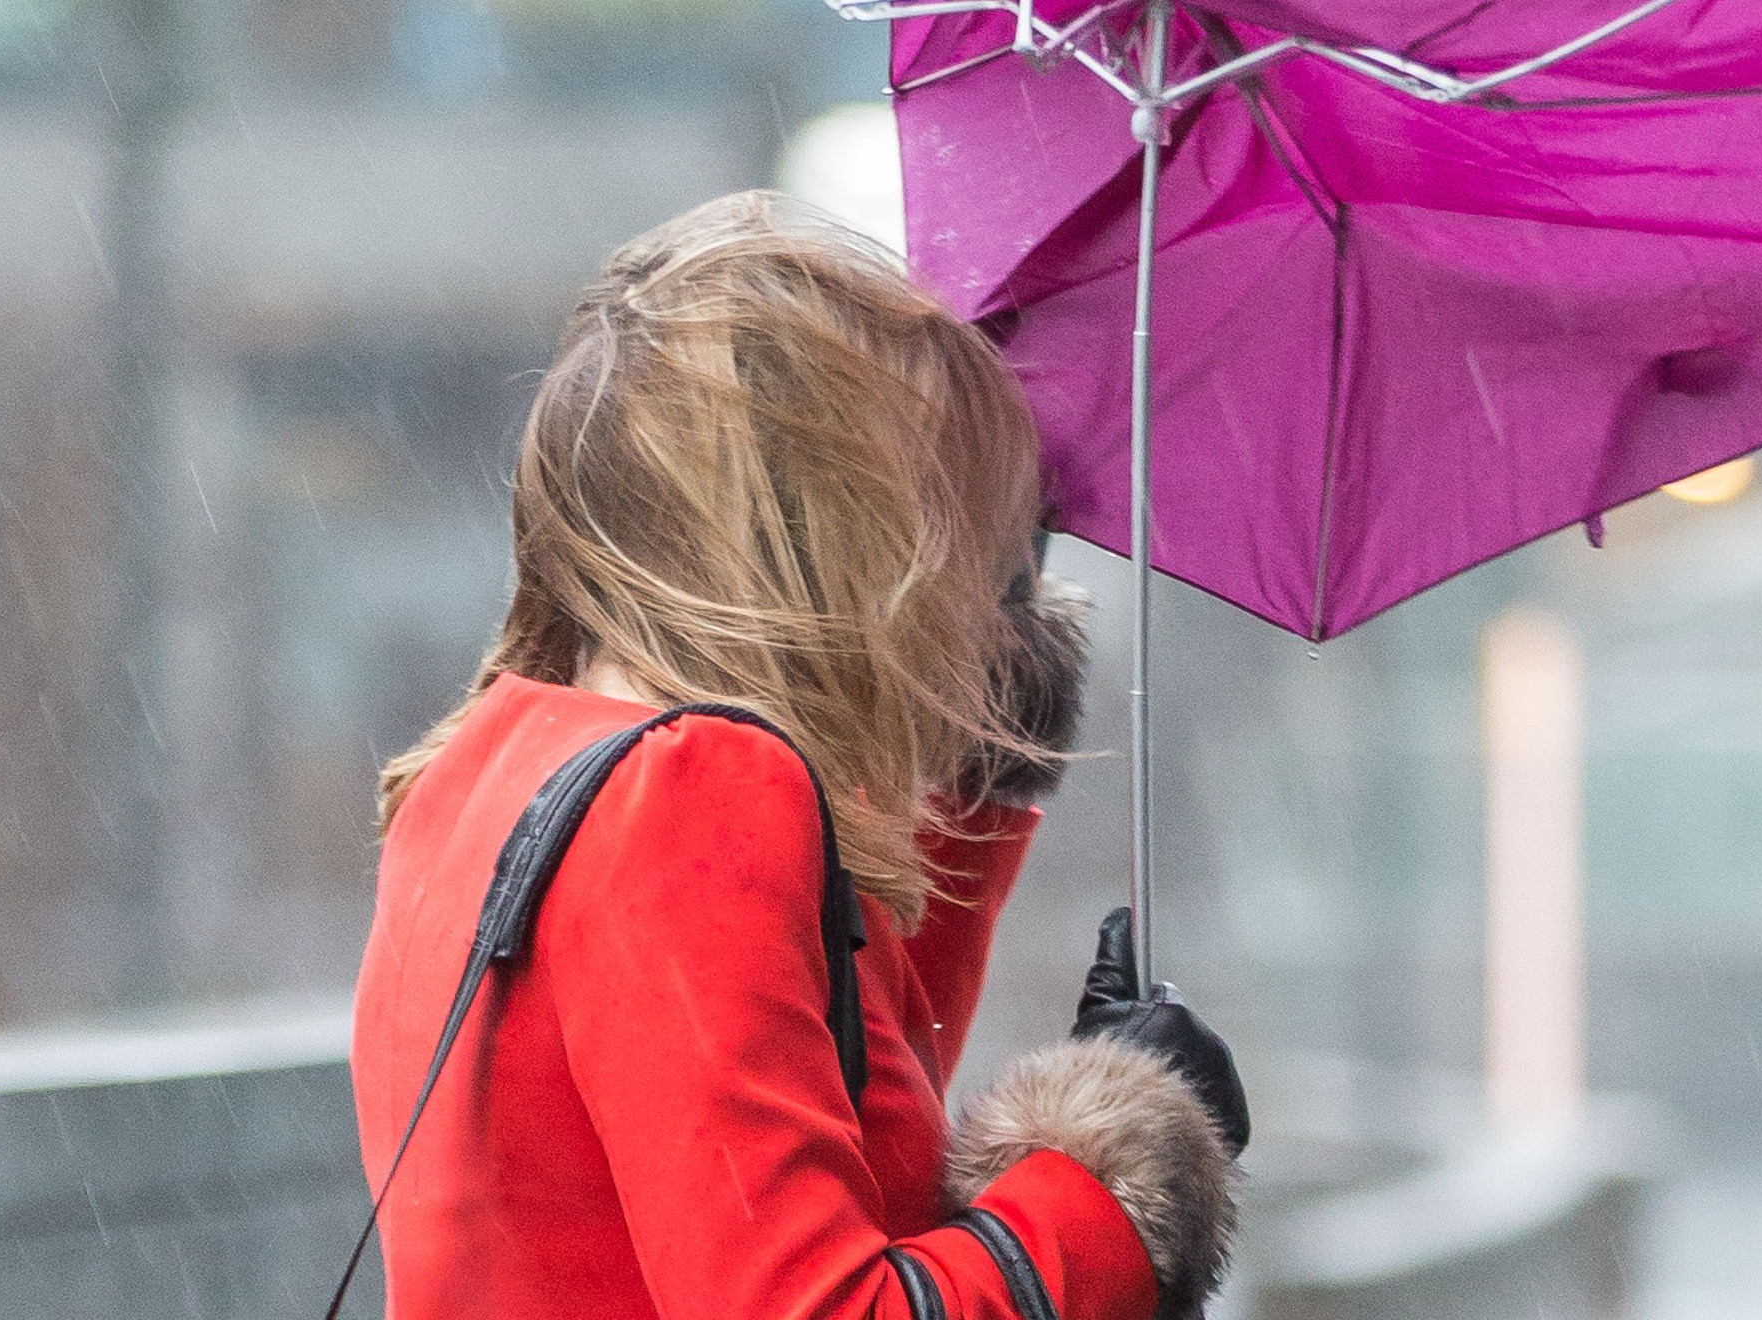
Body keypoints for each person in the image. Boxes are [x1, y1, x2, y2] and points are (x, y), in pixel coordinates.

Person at [349, 194, 1246, 1320]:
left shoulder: (493, 762)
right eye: (945, 508)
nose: (970, 560)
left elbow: (856, 1106)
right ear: (831, 523)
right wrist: (1111, 1187)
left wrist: (976, 740)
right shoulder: (691, 793)